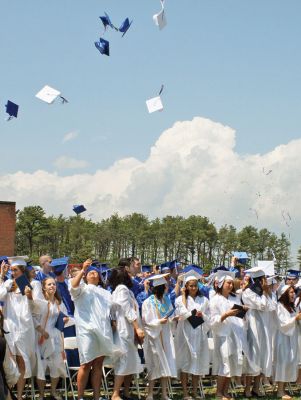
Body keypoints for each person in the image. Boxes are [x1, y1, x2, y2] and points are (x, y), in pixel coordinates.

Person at [70, 259, 120, 400]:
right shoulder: (81, 289)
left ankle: (96, 396)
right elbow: (73, 286)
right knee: (86, 363)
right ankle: (80, 397)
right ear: (86, 276)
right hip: (86, 330)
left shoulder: (105, 293)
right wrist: (82, 270)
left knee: (98, 364)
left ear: (99, 277)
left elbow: (111, 311)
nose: (93, 274)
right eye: (90, 272)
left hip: (103, 331)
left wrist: (113, 323)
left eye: (95, 273)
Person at [0, 257, 37, 400]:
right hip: (9, 326)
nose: (13, 272)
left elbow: (36, 310)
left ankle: (20, 395)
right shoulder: (8, 283)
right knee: (10, 361)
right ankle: (9, 393)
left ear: (22, 270)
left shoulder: (34, 284)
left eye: (15, 270)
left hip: (25, 328)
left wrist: (30, 297)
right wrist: (3, 277)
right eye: (11, 270)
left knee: (22, 360)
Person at [25, 277, 68, 400]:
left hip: (55, 336)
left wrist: (64, 320)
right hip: (42, 337)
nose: (52, 286)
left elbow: (64, 316)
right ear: (44, 287)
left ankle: (53, 392)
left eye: (54, 284)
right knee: (42, 365)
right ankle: (42, 394)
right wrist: (42, 331)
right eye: (49, 284)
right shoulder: (40, 302)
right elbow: (32, 317)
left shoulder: (59, 303)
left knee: (56, 365)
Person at [209, 270, 248, 400]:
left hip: (235, 334)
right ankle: (219, 392)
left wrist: (243, 310)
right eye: (228, 283)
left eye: (231, 283)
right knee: (224, 363)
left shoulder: (234, 298)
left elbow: (238, 317)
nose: (230, 285)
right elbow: (212, 320)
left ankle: (226, 392)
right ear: (220, 284)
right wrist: (226, 314)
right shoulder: (214, 300)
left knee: (231, 364)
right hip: (223, 335)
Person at [175, 270, 210, 400]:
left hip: (199, 334)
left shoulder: (204, 300)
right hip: (185, 334)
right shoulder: (179, 299)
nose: (194, 288)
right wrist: (183, 295)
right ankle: (185, 393)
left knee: (197, 363)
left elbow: (209, 317)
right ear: (186, 287)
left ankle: (194, 392)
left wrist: (203, 315)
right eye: (191, 285)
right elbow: (183, 314)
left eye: (195, 285)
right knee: (185, 362)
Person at [110, 267, 144, 400]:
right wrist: (137, 328)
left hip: (128, 329)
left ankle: (127, 393)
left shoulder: (125, 291)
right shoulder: (122, 289)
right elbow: (127, 309)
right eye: (129, 274)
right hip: (124, 329)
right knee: (123, 361)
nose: (132, 276)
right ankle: (115, 393)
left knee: (130, 361)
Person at [242, 267, 277, 397]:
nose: (265, 283)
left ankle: (256, 388)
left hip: (265, 329)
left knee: (262, 357)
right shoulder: (248, 293)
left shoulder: (267, 293)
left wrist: (266, 293)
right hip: (253, 329)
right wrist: (263, 293)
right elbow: (262, 306)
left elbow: (273, 307)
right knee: (253, 357)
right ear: (257, 281)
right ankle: (247, 388)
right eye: (263, 280)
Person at [142, 273, 177, 400]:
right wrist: (158, 322)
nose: (166, 289)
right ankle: (150, 394)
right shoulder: (148, 302)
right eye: (164, 287)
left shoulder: (167, 300)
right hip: (154, 337)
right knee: (155, 364)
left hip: (166, 335)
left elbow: (170, 316)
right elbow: (145, 321)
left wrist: (173, 319)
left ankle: (164, 394)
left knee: (166, 364)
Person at [274, 284, 301, 399]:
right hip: (282, 338)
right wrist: (295, 318)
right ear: (284, 294)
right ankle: (280, 391)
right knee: (283, 362)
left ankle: (284, 389)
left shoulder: (292, 307)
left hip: (292, 338)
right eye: (290, 292)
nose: (293, 294)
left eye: (294, 292)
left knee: (290, 362)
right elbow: (282, 324)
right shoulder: (279, 306)